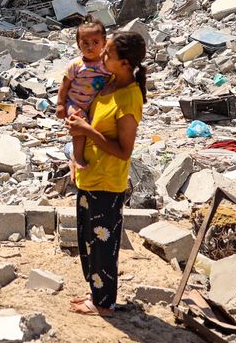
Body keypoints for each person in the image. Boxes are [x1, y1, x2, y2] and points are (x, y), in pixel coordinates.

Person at [65, 31, 148, 317]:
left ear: (124, 63)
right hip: (90, 176)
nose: (101, 55)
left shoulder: (129, 98)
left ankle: (104, 303)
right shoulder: (109, 82)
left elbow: (124, 151)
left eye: (108, 53)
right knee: (89, 242)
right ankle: (96, 293)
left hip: (107, 182)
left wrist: (86, 131)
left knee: (103, 245)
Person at [56, 18, 109, 171]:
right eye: (85, 43)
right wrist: (60, 105)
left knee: (97, 127)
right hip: (75, 103)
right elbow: (64, 85)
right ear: (78, 44)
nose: (90, 47)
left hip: (94, 105)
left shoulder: (106, 64)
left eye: (95, 42)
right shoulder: (76, 65)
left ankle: (95, 155)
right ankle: (77, 157)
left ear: (104, 43)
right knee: (79, 126)